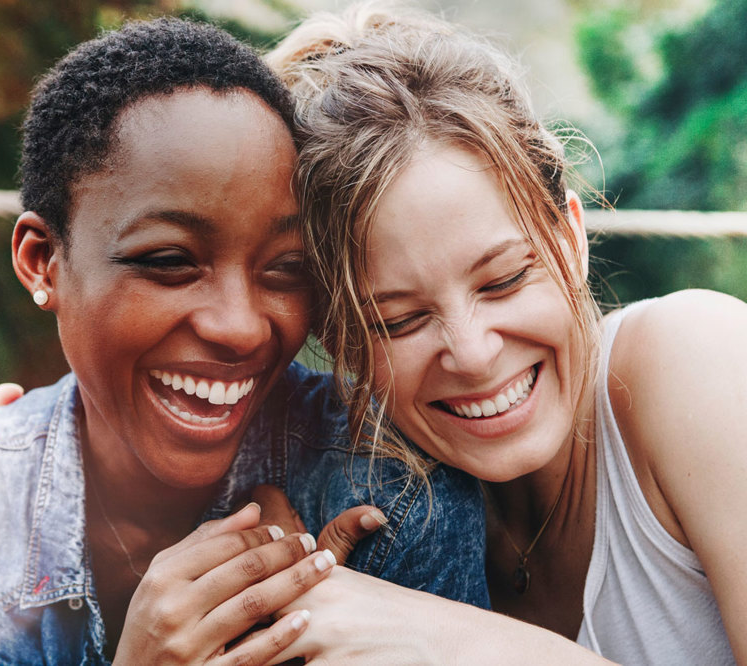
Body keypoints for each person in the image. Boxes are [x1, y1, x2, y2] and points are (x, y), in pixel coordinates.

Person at [0, 16, 489, 665]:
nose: (240, 326)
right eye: (170, 260)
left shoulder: (392, 496)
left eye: (285, 269)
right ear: (42, 260)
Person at [249, 3, 743, 663]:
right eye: (399, 320)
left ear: (569, 237)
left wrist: (443, 636)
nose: (474, 353)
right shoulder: (383, 519)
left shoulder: (696, 357)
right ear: (341, 343)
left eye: (504, 279)